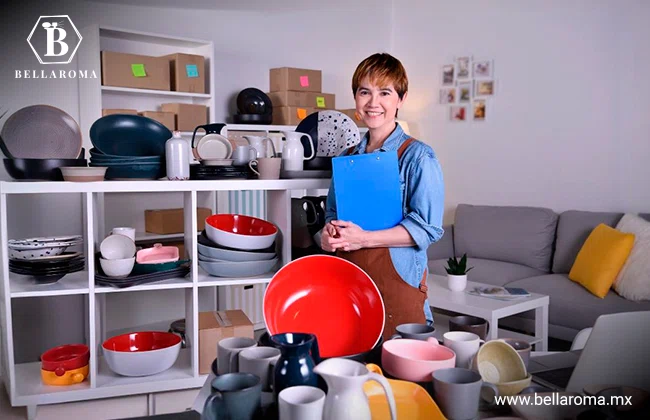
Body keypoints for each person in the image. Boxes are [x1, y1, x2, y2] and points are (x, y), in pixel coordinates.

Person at [321, 53, 444, 340]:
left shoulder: (418, 156)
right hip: (348, 284)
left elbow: (428, 228)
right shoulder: (346, 158)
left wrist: (363, 239)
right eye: (365, 92)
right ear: (356, 98)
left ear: (400, 99)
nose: (373, 103)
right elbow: (331, 216)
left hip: (399, 287)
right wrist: (326, 235)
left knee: (401, 379)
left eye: (384, 93)